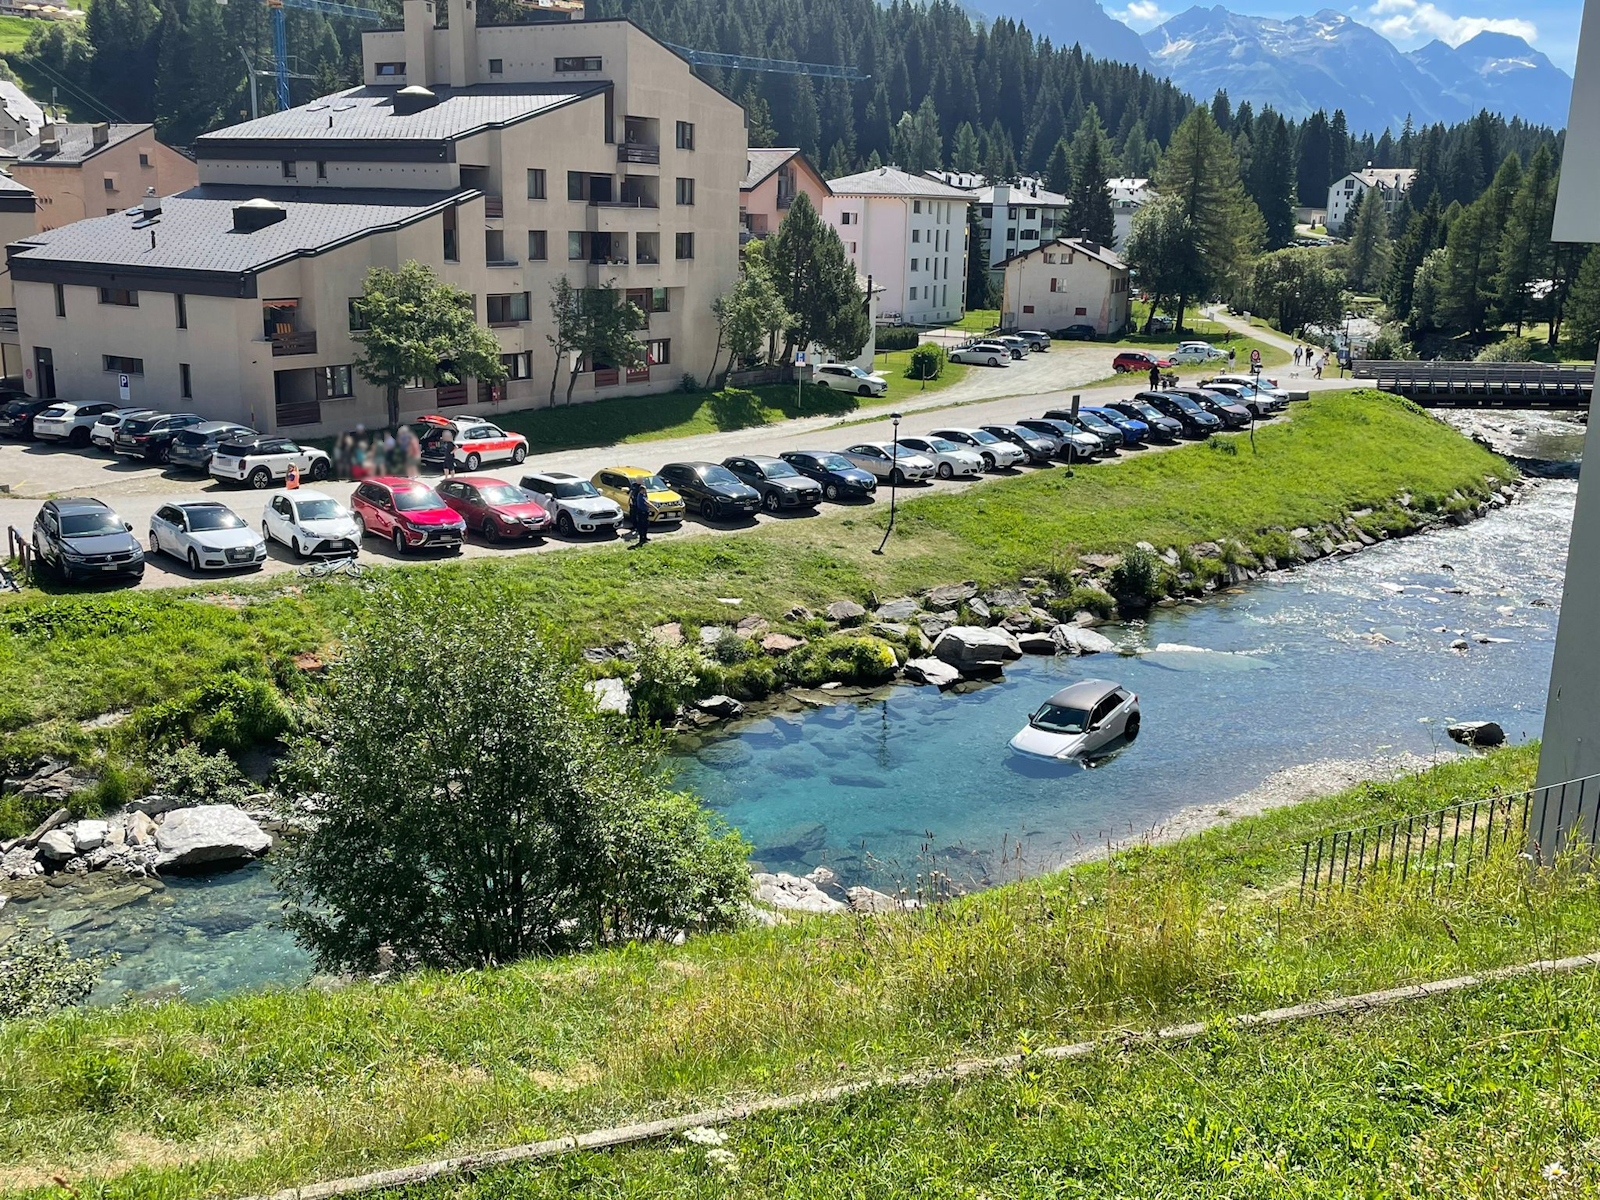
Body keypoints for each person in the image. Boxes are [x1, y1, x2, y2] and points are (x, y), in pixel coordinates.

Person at [628, 481, 651, 546]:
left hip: (645, 512)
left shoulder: (643, 495)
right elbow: (647, 502)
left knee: (645, 526)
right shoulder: (640, 496)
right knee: (642, 526)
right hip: (642, 513)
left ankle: (645, 538)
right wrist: (655, 508)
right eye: (644, 490)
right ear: (641, 490)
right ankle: (642, 539)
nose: (645, 491)